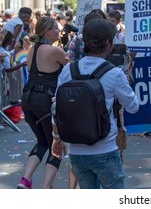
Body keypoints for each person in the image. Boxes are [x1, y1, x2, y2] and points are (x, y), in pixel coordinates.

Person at [51, 18, 139, 189]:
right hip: (104, 149)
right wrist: (128, 77)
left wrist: (56, 137)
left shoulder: (68, 70)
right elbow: (133, 107)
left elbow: (56, 106)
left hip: (75, 151)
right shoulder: (114, 73)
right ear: (108, 43)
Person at [17, 16, 67, 189]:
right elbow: (72, 68)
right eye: (55, 28)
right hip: (45, 102)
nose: (58, 31)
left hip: (29, 100)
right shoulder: (55, 51)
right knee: (56, 144)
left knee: (42, 141)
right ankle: (46, 187)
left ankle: (25, 179)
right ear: (47, 31)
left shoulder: (32, 50)